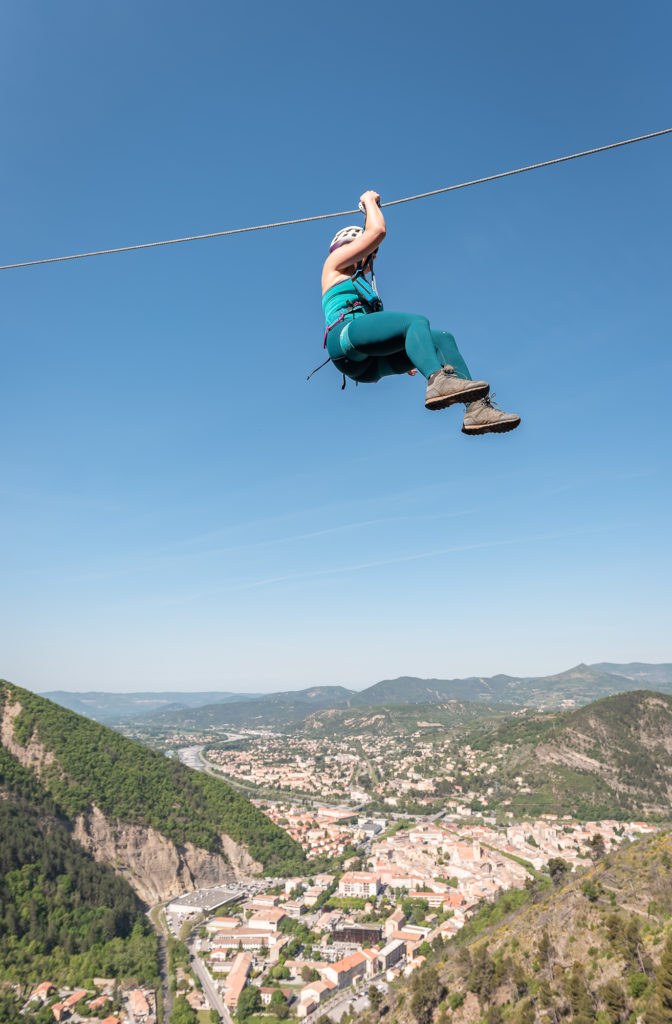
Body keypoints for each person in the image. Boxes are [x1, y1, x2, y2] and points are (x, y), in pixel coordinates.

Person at [321, 190, 520, 435]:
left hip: (368, 366)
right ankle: (438, 381)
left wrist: (416, 354)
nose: (371, 258)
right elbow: (377, 232)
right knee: (415, 322)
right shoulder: (334, 264)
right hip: (343, 341)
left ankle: (476, 410)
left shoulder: (362, 282)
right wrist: (369, 201)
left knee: (441, 338)